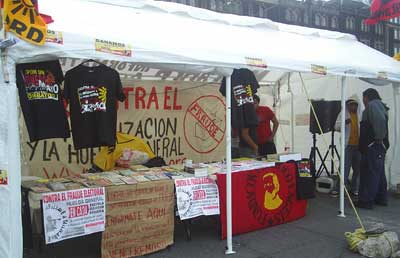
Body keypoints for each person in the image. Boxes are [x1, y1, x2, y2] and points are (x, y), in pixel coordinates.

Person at [356, 88, 389, 209]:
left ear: (367, 97)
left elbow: (379, 121)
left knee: (370, 172)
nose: (363, 100)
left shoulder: (372, 105)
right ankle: (381, 198)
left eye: (363, 97)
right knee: (379, 173)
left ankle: (366, 200)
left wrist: (378, 138)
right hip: (378, 146)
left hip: (373, 146)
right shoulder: (380, 105)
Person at [330, 95, 361, 197]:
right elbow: (336, 126)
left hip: (359, 146)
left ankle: (354, 188)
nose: (353, 106)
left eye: (354, 105)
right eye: (350, 104)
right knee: (344, 168)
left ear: (357, 105)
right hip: (347, 146)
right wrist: (344, 122)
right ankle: (337, 189)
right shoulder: (343, 114)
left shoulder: (360, 114)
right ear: (348, 105)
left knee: (357, 169)